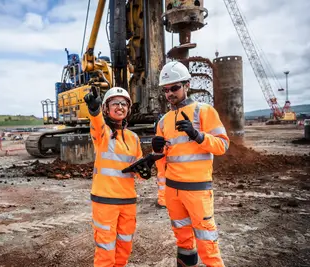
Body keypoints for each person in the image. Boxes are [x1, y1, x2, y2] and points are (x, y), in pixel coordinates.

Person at [152, 61, 230, 267]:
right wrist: (157, 151)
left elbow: (222, 145)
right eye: (166, 90)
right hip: (173, 191)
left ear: (187, 85)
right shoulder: (162, 121)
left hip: (197, 190)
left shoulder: (204, 111)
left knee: (207, 243)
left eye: (175, 88)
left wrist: (197, 135)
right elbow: (162, 160)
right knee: (183, 240)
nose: (170, 93)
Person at [84, 86, 158, 267]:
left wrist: (146, 169)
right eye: (115, 103)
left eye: (124, 103)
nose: (120, 107)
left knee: (125, 245)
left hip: (127, 201)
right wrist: (94, 110)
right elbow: (96, 123)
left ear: (128, 108)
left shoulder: (133, 138)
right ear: (106, 108)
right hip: (105, 201)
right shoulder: (103, 134)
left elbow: (138, 173)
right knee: (105, 249)